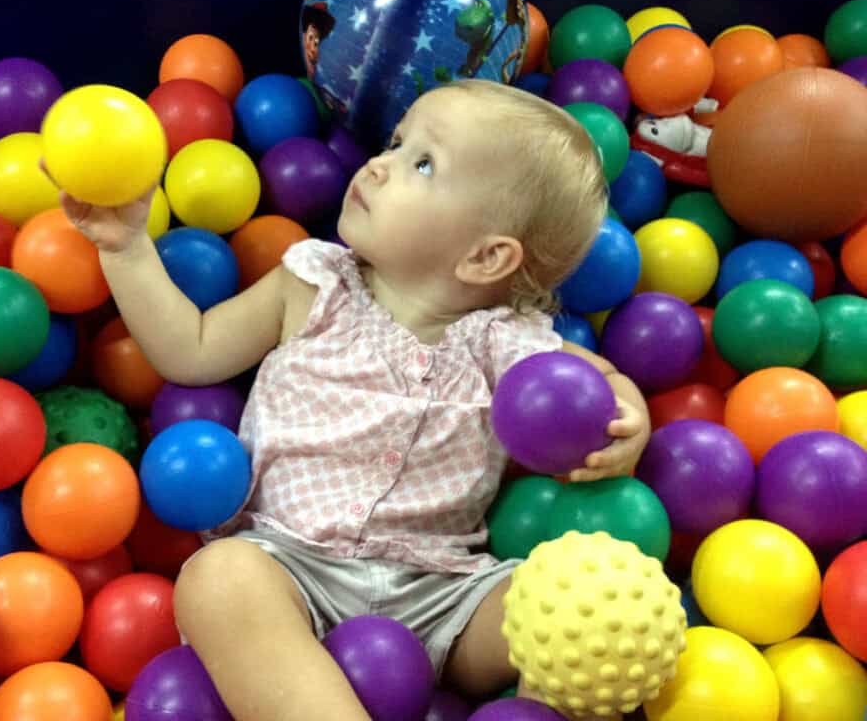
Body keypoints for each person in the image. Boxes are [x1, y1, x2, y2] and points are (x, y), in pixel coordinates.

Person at [59, 79, 651, 721]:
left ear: (486, 257)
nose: (379, 162)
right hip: (289, 567)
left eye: (422, 164)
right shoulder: (312, 284)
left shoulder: (509, 345)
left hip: (444, 592)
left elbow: (598, 386)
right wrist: (126, 248)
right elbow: (192, 349)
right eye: (398, 143)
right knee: (219, 578)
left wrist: (628, 419)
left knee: (575, 597)